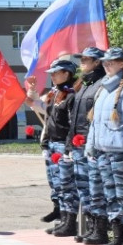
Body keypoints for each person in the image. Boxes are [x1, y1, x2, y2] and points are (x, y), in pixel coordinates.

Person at [86, 47, 123, 245]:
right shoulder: (103, 89)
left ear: (122, 64)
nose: (106, 65)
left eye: (111, 62)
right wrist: (90, 146)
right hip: (102, 152)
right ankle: (118, 238)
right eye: (104, 63)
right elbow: (94, 123)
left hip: (120, 153)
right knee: (110, 197)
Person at [26, 59, 77, 235]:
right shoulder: (54, 94)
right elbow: (39, 108)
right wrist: (31, 90)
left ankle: (70, 221)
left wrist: (69, 148)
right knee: (57, 183)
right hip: (53, 143)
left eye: (56, 73)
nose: (52, 76)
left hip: (64, 144)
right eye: (52, 73)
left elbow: (72, 125)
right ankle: (62, 218)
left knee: (67, 184)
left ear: (67, 74)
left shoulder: (71, 94)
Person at [64, 48, 108, 244]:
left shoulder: (101, 84)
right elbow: (74, 119)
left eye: (85, 59)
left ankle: (100, 230)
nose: (81, 62)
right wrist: (69, 145)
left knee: (96, 189)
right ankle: (91, 227)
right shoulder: (83, 85)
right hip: (78, 144)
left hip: (92, 145)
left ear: (97, 62)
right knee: (84, 189)